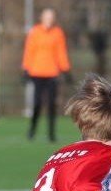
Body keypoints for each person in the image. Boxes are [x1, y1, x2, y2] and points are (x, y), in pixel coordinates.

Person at [22, 7, 72, 142]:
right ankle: (32, 130)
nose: (49, 19)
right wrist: (26, 69)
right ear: (42, 18)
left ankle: (51, 134)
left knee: (51, 104)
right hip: (37, 72)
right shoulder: (35, 32)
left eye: (51, 17)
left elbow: (61, 52)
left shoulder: (58, 33)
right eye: (47, 17)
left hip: (52, 73)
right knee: (37, 103)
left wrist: (66, 69)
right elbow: (29, 51)